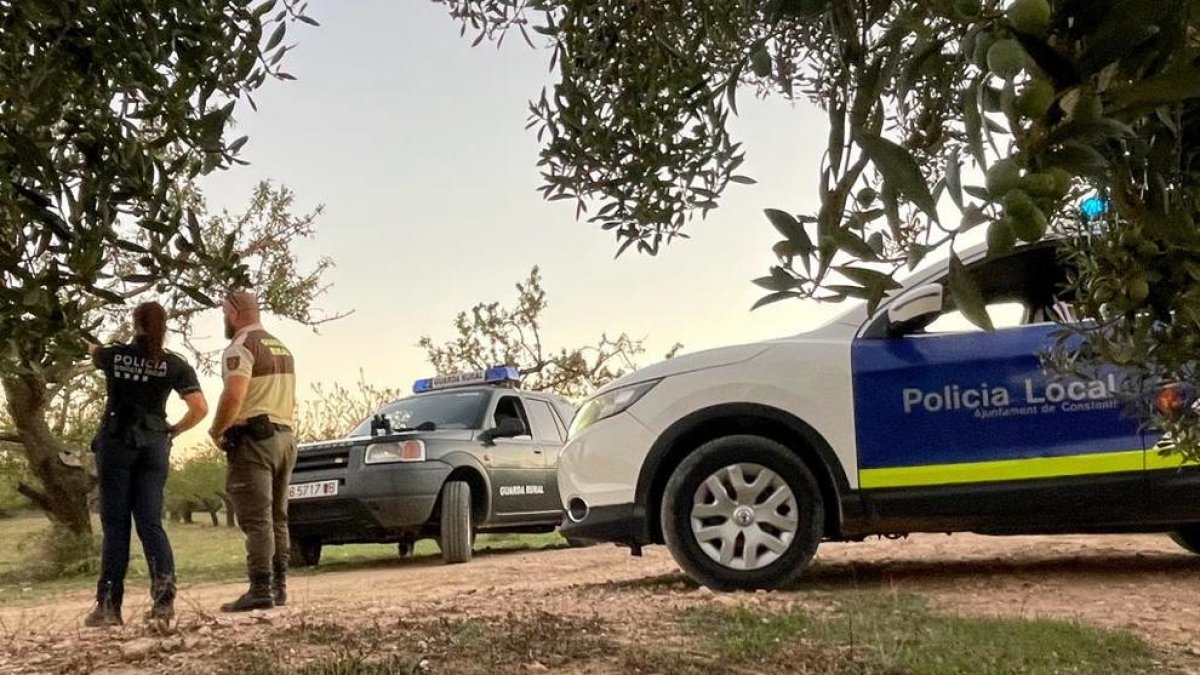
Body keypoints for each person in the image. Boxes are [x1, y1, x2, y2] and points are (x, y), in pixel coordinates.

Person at [86, 302, 208, 627]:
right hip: (154, 445)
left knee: (116, 526)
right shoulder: (173, 364)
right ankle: (164, 601)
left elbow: (91, 349)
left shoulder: (114, 356)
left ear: (135, 323)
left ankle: (109, 607)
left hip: (117, 444)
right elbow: (199, 408)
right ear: (163, 327)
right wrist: (172, 432)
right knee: (151, 524)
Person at [209, 291, 297, 612]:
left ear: (233, 312)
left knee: (257, 518)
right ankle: (279, 586)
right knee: (278, 517)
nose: (223, 319)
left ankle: (260, 588)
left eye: (223, 313)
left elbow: (234, 395)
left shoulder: (241, 347)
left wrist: (217, 429)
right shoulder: (281, 347)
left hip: (254, 442)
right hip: (285, 437)